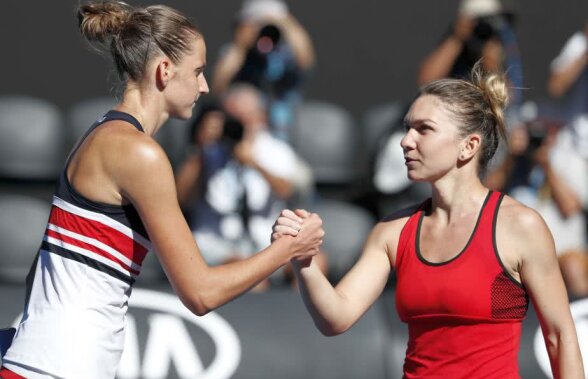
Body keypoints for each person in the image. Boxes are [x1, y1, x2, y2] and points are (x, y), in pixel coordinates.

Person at [0, 2, 324, 378]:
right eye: (198, 71)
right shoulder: (140, 153)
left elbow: (36, 276)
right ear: (164, 70)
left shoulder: (99, 133)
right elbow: (201, 293)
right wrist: (289, 248)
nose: (205, 86)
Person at [273, 64, 584, 378]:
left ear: (469, 146)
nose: (405, 141)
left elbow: (559, 336)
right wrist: (303, 260)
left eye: (424, 129)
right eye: (408, 128)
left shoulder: (521, 227)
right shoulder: (391, 233)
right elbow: (336, 317)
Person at [175, 83, 325, 288]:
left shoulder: (274, 150)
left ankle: (298, 318)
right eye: (233, 119)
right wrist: (201, 150)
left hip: (265, 240)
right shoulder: (208, 152)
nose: (241, 126)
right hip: (218, 245)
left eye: (246, 118)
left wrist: (254, 163)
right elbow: (181, 197)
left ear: (260, 117)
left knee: (314, 263)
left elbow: (287, 190)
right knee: (249, 275)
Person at [211, 0, 316, 142]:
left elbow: (306, 60)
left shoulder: (287, 53)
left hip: (282, 124)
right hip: (245, 129)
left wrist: (286, 24)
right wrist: (241, 44)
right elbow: (218, 85)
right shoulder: (237, 52)